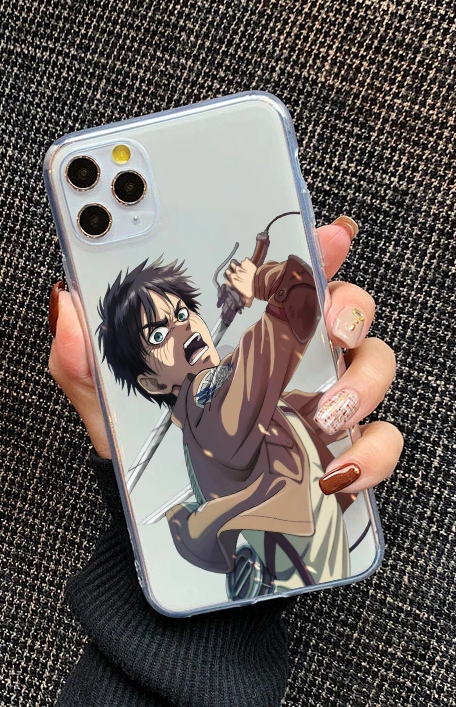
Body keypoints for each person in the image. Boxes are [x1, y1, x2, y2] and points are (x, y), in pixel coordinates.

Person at [48, 217, 402, 707]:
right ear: (151, 382)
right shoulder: (213, 404)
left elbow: (309, 438)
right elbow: (295, 308)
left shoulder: (226, 407)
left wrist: (337, 408)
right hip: (287, 550)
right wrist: (262, 281)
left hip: (284, 557)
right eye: (158, 335)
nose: (181, 328)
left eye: (182, 312)